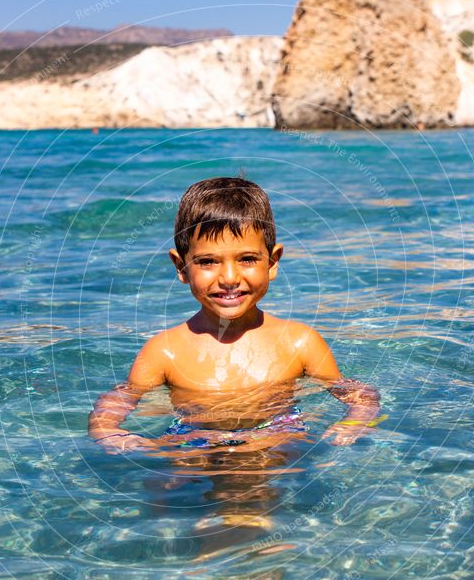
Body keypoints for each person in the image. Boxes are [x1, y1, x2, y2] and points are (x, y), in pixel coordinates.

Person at [89, 177, 384, 453]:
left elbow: (358, 395)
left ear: (272, 262)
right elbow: (120, 399)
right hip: (193, 440)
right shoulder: (164, 351)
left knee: (280, 455)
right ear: (181, 267)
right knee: (161, 491)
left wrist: (354, 421)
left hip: (277, 436)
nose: (229, 277)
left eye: (247, 259)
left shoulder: (300, 343)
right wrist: (108, 430)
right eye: (207, 262)